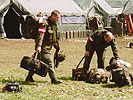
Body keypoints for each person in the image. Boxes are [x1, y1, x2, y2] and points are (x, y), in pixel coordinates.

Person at [25, 10, 62, 84]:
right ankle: (54, 79)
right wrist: (38, 46)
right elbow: (40, 35)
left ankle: (29, 77)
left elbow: (54, 38)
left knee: (36, 63)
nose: (58, 19)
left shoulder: (53, 25)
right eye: (57, 17)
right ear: (53, 16)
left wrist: (57, 47)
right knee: (49, 62)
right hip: (43, 47)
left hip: (49, 47)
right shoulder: (45, 23)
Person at [80, 15, 120, 80]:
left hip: (101, 48)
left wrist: (117, 59)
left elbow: (115, 48)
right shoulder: (97, 33)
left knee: (101, 60)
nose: (108, 42)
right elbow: (90, 41)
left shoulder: (111, 38)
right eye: (107, 41)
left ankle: (100, 75)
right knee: (87, 59)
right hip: (92, 46)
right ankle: (84, 74)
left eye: (109, 41)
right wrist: (87, 50)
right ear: (104, 36)